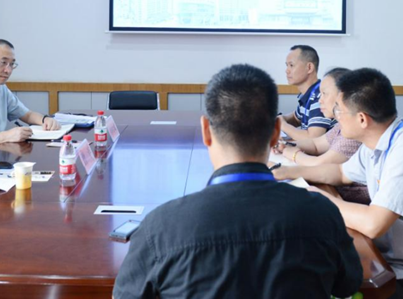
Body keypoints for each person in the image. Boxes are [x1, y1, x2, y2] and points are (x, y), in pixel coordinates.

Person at [113, 64, 363, 298]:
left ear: (206, 131)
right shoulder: (322, 214)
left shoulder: (160, 227)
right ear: (276, 132)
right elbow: (348, 285)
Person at [280, 68, 403, 299]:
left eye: (339, 110)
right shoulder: (377, 141)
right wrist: (287, 172)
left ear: (362, 119)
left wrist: (321, 200)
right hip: (390, 257)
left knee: (314, 280)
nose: (335, 116)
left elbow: (373, 224)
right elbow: (340, 172)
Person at [273, 68, 369, 204]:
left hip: (353, 202)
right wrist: (287, 145)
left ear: (342, 97)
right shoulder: (340, 125)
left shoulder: (353, 132)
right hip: (337, 195)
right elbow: (316, 144)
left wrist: (293, 154)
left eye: (324, 94)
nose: (320, 100)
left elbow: (321, 164)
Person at [278, 45, 334, 140]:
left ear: (309, 67)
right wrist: (279, 119)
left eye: (291, 65)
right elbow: (296, 118)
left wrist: (283, 125)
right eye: (286, 65)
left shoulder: (320, 96)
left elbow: (313, 138)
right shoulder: (308, 93)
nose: (286, 71)